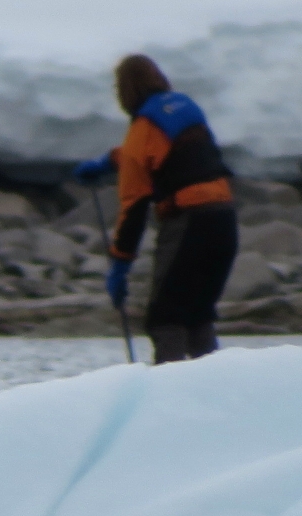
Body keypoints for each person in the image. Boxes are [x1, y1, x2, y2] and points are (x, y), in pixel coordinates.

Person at [74, 54, 238, 364]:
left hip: (189, 223)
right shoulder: (185, 107)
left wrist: (120, 267)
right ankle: (214, 388)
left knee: (166, 318)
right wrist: (110, 162)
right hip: (224, 218)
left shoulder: (144, 125)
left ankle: (168, 396)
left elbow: (134, 207)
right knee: (199, 315)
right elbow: (166, 151)